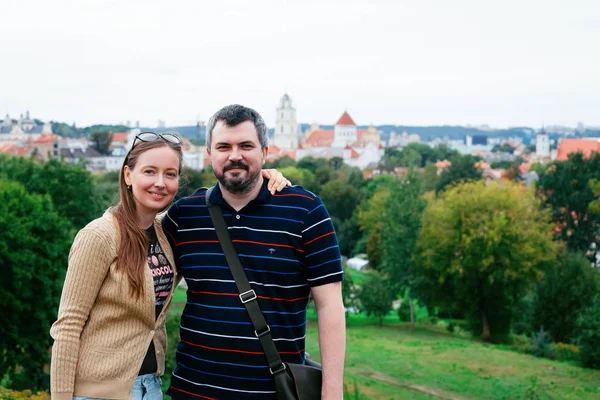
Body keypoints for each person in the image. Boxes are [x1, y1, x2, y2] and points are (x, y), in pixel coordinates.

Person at [50, 131, 290, 400]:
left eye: (170, 174)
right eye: (150, 172)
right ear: (128, 175)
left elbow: (218, 199)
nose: (160, 183)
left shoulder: (165, 231)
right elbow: (68, 326)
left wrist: (260, 175)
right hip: (98, 392)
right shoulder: (99, 236)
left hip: (150, 388)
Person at [162, 104, 346, 400]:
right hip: (194, 391)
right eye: (223, 146)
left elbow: (330, 307)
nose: (234, 155)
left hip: (274, 393)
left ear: (264, 151)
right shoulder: (184, 216)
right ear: (210, 154)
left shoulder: (306, 211)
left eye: (246, 145)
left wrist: (332, 393)